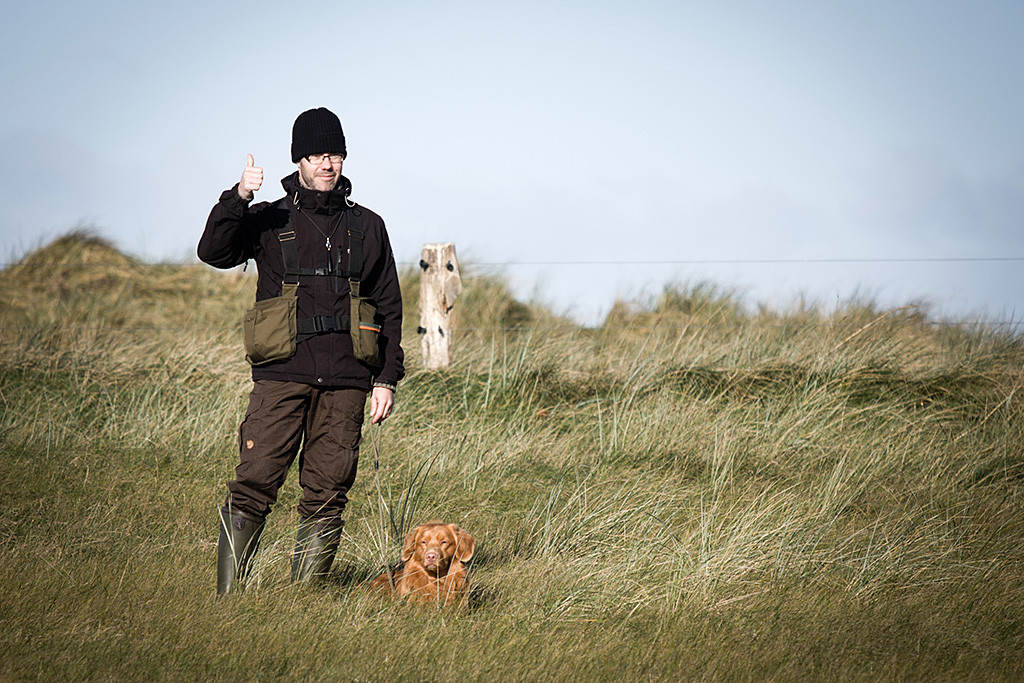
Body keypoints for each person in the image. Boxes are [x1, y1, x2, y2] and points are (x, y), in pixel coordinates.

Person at [198, 107, 404, 594]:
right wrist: (239, 197)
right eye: (316, 156)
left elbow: (389, 306)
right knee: (254, 481)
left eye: (334, 155)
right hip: (281, 374)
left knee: (329, 491)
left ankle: (303, 603)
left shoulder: (368, 226)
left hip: (348, 380)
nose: (326, 164)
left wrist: (386, 379)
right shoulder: (268, 218)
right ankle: (227, 601)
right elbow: (214, 252)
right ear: (299, 161)